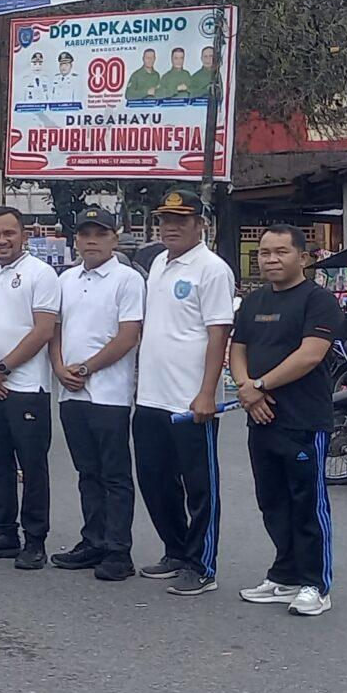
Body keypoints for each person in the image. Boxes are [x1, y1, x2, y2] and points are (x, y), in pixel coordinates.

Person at [228, 223, 343, 617]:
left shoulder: (319, 301)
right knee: (272, 502)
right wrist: (246, 387)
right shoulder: (253, 302)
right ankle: (285, 576)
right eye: (265, 253)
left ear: (303, 257)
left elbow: (310, 355)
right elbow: (238, 349)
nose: (271, 260)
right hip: (260, 418)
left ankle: (316, 584)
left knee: (307, 504)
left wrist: (259, 385)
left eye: (281, 252)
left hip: (303, 420)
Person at [131, 189, 235, 597]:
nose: (171, 227)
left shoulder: (212, 269)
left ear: (200, 225)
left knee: (200, 487)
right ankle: (175, 550)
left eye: (181, 220)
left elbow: (218, 334)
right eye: (165, 220)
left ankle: (201, 565)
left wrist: (207, 392)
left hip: (190, 400)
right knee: (155, 480)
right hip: (151, 395)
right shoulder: (158, 262)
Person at [50, 208, 145, 582]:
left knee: (114, 474)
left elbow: (128, 336)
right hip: (71, 392)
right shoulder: (66, 279)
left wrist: (87, 368)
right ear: (75, 239)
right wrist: (60, 368)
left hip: (109, 393)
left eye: (100, 234)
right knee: (87, 472)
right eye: (85, 234)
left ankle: (118, 550)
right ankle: (93, 540)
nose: (91, 241)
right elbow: (55, 330)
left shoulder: (127, 279)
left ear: (114, 239)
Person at [0, 205, 60, 570]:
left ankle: (34, 540)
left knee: (32, 467)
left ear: (24, 235)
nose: (2, 240)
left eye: (9, 233)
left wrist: (2, 369)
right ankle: (4, 533)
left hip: (26, 387)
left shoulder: (41, 274)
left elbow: (43, 330)